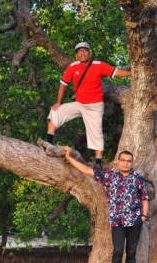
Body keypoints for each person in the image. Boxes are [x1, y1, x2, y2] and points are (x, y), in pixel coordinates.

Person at [63, 147, 149, 263]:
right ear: (118, 162)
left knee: (131, 252)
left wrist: (143, 216)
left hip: (134, 220)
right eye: (123, 161)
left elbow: (144, 199)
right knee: (118, 250)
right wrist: (69, 158)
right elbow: (87, 170)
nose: (126, 163)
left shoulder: (138, 179)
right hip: (117, 221)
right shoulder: (110, 176)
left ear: (132, 163)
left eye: (129, 161)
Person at [47, 42, 132, 170]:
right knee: (55, 112)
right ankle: (49, 143)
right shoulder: (73, 67)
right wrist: (58, 102)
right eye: (79, 51)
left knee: (96, 132)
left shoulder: (98, 65)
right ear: (76, 55)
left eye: (85, 51)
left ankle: (98, 161)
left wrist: (131, 73)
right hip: (79, 103)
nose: (82, 53)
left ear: (89, 52)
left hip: (94, 106)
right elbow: (63, 84)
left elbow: (115, 72)